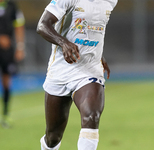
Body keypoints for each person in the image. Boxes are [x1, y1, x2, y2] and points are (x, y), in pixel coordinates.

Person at [37, 0, 117, 149]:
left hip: (90, 69)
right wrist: (63, 43)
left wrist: (99, 55)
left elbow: (94, 29)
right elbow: (43, 25)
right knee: (53, 136)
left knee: (91, 116)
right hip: (61, 69)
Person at [0, 0, 25, 128]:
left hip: (7, 51)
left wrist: (20, 47)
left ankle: (5, 115)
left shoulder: (12, 6)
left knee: (6, 81)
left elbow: (19, 25)